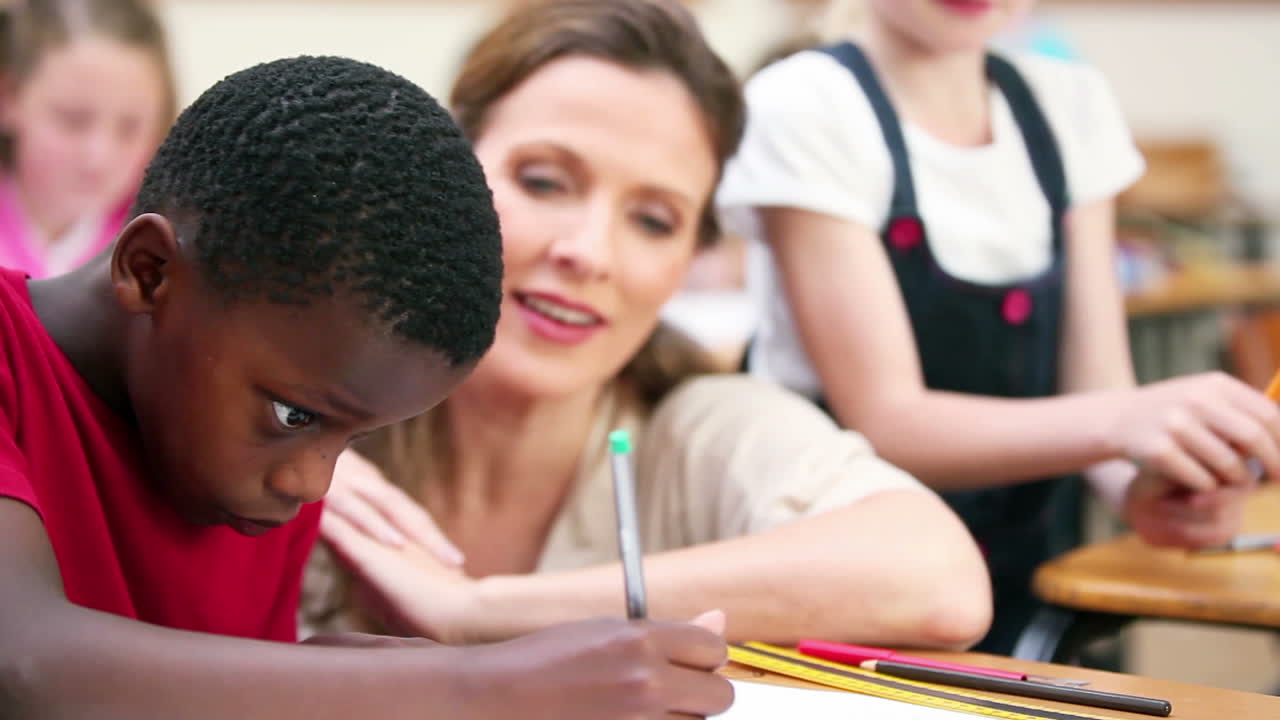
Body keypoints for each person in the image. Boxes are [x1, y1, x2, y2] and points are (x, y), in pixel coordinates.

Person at [0, 54, 733, 720]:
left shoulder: (251, 468)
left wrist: (352, 678)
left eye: (354, 440)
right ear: (152, 271)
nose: (315, 482)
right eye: (295, 416)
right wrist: (479, 685)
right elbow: (26, 665)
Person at [305, 0, 992, 650]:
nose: (591, 253)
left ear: (691, 256)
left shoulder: (700, 429)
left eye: (654, 221)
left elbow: (941, 579)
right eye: (545, 181)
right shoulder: (303, 412)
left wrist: (476, 613)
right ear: (442, 176)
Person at [716, 0, 1274, 653]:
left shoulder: (1068, 105)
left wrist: (1147, 488)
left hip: (1028, 572)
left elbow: (1096, 390)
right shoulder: (806, 105)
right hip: (845, 584)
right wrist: (1126, 421)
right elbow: (886, 421)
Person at [0, 0, 174, 279]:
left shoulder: (166, 246)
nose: (98, 156)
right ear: (8, 98)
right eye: (72, 119)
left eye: (130, 127)